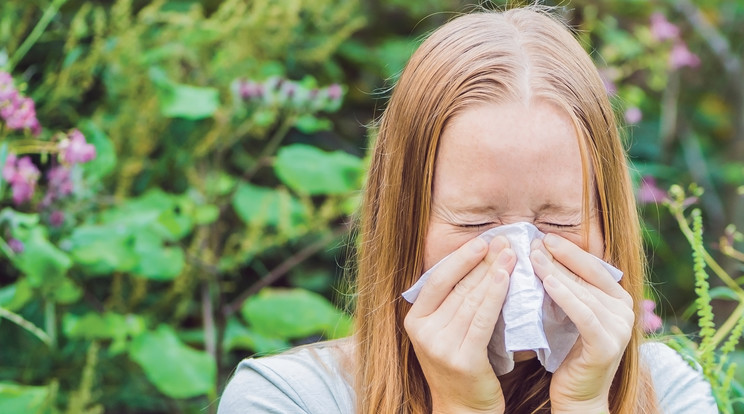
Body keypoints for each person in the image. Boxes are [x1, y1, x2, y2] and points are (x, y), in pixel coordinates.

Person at [217, 6, 717, 414]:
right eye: (476, 223)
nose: (518, 256)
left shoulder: (670, 394)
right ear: (404, 220)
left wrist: (585, 404)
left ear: (609, 221)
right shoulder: (290, 399)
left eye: (559, 222)